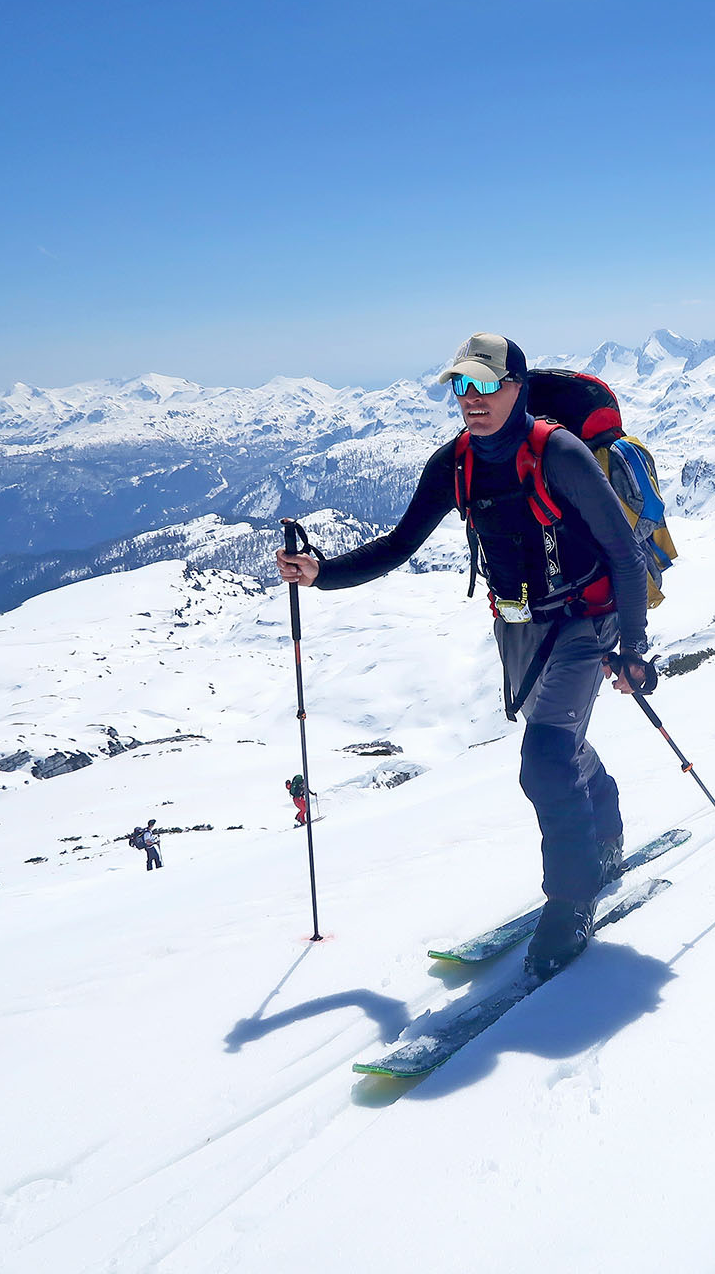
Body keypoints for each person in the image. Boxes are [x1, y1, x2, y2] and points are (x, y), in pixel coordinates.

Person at [276, 333, 651, 981]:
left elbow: (624, 552)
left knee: (544, 758)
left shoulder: (558, 452)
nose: (470, 399)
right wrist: (320, 574)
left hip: (584, 619)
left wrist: (632, 646)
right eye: (461, 385)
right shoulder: (455, 463)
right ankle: (608, 815)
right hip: (517, 624)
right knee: (557, 741)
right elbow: (398, 544)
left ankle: (571, 898)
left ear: (517, 386)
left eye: (484, 384)